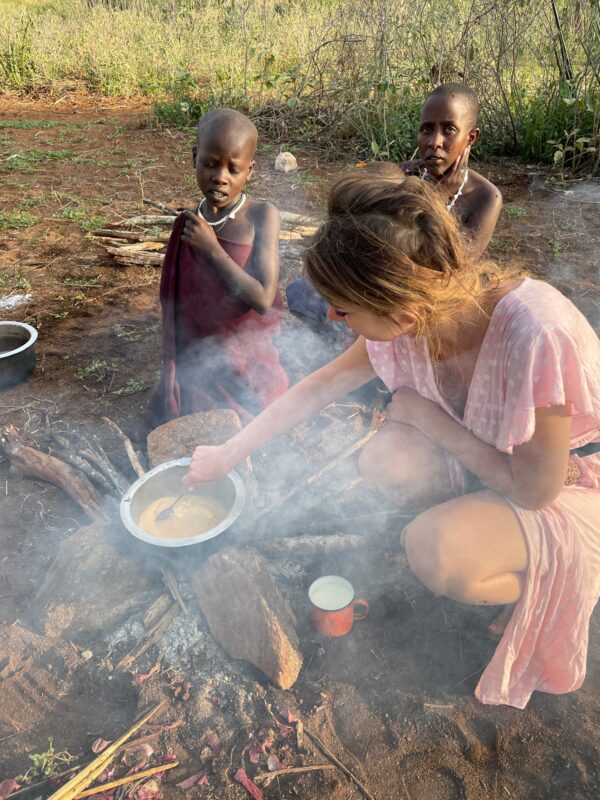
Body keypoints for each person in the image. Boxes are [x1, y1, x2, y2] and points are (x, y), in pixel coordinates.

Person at [184, 171, 600, 709]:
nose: (332, 316)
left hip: (571, 484)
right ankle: (495, 537)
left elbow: (535, 490)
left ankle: (548, 584)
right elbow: (324, 383)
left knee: (433, 550)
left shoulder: (536, 334)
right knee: (387, 459)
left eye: (343, 307)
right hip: (496, 464)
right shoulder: (419, 316)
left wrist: (429, 418)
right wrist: (227, 454)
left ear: (398, 308)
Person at [286, 82, 502, 325]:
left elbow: (453, 274)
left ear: (471, 137)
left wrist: (438, 198)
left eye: (449, 129)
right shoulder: (401, 174)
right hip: (374, 283)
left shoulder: (485, 197)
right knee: (305, 291)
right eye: (427, 129)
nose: (434, 142)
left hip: (415, 302)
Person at [146, 108, 288, 429]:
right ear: (194, 157)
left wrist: (212, 249)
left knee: (251, 422)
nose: (220, 176)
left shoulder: (261, 216)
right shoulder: (189, 223)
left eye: (233, 168)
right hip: (201, 360)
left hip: (245, 360)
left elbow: (263, 299)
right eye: (210, 163)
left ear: (249, 171)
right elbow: (178, 303)